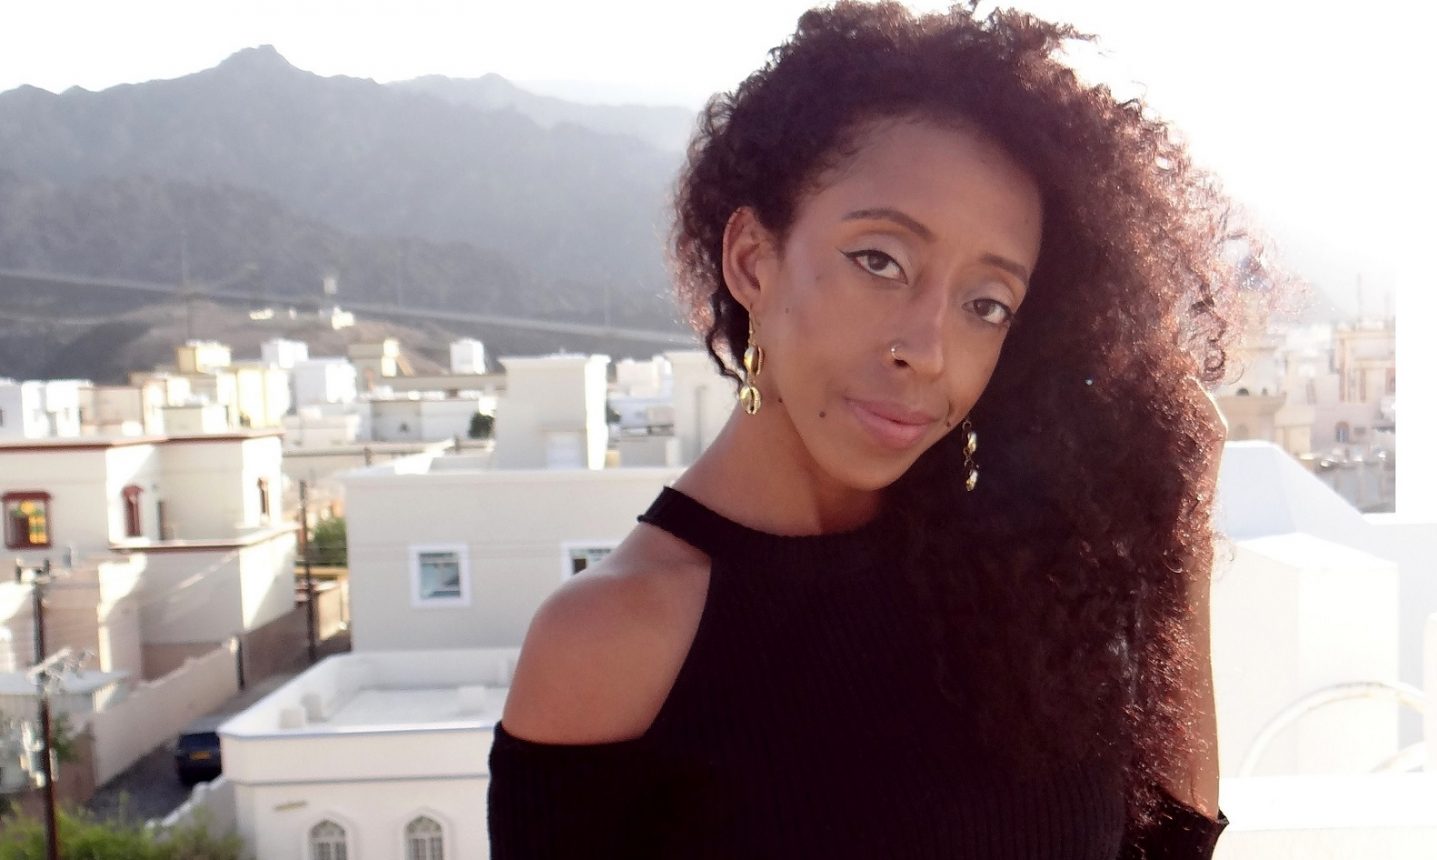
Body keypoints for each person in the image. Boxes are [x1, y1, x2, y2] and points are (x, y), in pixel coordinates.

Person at [488, 2, 1273, 856]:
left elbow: (1166, 851)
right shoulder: (613, 641)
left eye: (986, 304)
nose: (927, 351)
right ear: (751, 259)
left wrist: (1181, 533)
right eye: (880, 261)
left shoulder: (1025, 585)